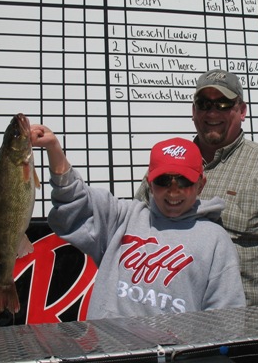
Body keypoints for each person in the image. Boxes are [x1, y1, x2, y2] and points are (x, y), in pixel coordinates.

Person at [136, 69, 258, 306]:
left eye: (223, 104)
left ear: (242, 111)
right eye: (204, 104)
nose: (212, 112)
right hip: (173, 313)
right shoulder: (167, 165)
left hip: (251, 318)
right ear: (194, 111)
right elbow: (137, 230)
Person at [30, 127, 246, 319]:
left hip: (177, 349)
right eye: (163, 181)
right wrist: (54, 148)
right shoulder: (121, 218)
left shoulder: (216, 239)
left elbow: (226, 317)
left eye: (183, 181)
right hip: (109, 346)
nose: (173, 191)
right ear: (150, 184)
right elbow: (74, 200)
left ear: (201, 184)